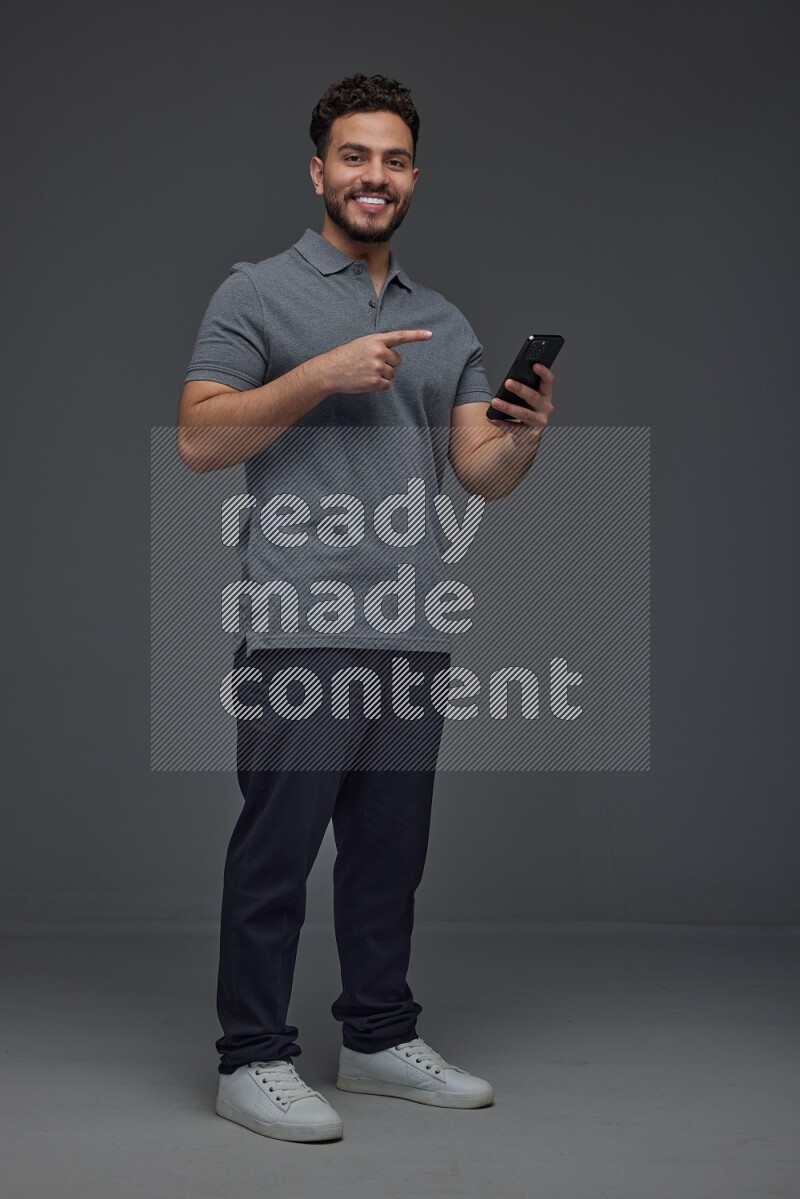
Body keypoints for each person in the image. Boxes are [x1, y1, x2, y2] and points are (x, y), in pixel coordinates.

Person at [177, 72, 555, 1144]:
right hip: (298, 624)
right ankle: (250, 1057)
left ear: (412, 178)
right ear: (319, 172)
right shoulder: (255, 294)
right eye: (354, 156)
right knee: (277, 855)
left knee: (389, 857)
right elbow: (200, 437)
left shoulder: (444, 320)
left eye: (392, 159)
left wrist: (522, 434)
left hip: (411, 627)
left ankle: (379, 1038)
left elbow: (477, 474)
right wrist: (322, 374)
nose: (373, 175)